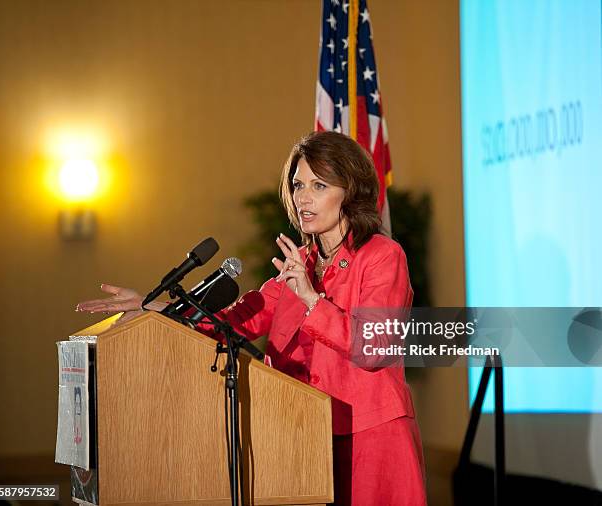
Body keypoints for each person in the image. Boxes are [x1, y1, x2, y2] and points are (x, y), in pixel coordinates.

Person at [76, 131, 427, 505]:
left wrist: (310, 298)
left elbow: (375, 346)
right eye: (297, 185)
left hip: (371, 439)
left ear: (350, 191)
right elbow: (232, 323)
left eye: (319, 185)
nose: (303, 197)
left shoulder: (382, 256)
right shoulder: (300, 265)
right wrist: (150, 308)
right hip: (304, 438)